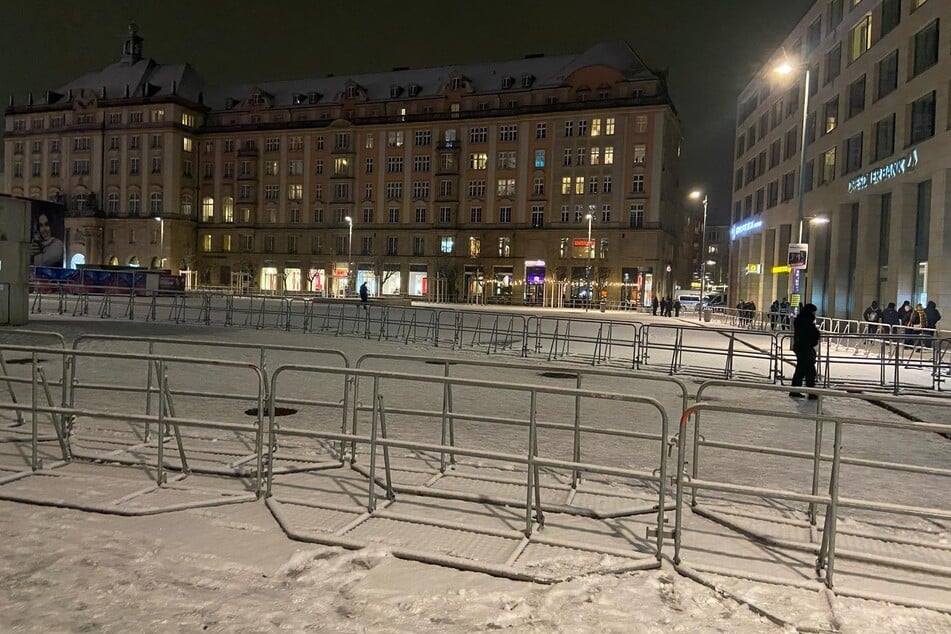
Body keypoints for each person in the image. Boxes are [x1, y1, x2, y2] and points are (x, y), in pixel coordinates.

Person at [790, 303, 820, 399]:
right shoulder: (806, 321)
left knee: (801, 369)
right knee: (809, 371)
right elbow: (811, 334)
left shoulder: (801, 320)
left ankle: (795, 390)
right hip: (805, 348)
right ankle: (810, 392)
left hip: (801, 348)